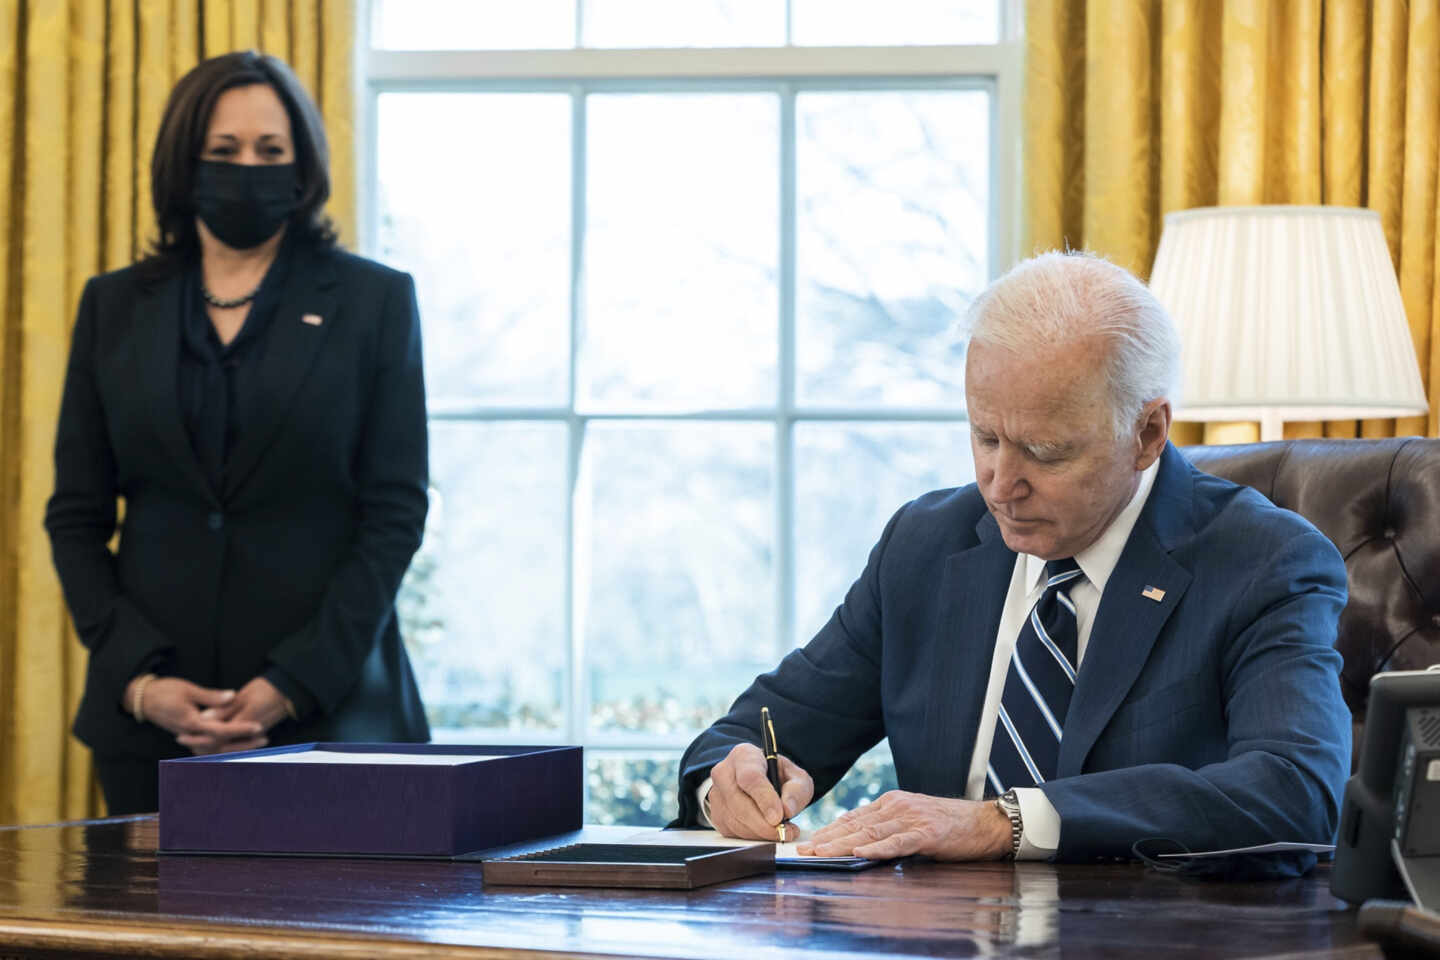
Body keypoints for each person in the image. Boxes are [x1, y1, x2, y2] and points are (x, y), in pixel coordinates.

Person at [675, 251, 1351, 865]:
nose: (1000, 483)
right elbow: (755, 729)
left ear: (1146, 434)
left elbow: (1294, 792)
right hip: (935, 940)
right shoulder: (927, 545)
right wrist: (725, 786)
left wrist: (1008, 822)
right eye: (985, 436)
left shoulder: (1265, 562)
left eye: (1045, 451)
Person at [45, 51, 430, 815]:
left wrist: (290, 684)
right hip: (150, 731)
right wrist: (138, 680)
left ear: (303, 165)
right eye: (223, 153)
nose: (246, 168)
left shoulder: (373, 301)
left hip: (332, 719)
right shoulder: (114, 306)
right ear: (185, 165)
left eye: (269, 151)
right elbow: (77, 517)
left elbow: (395, 513)